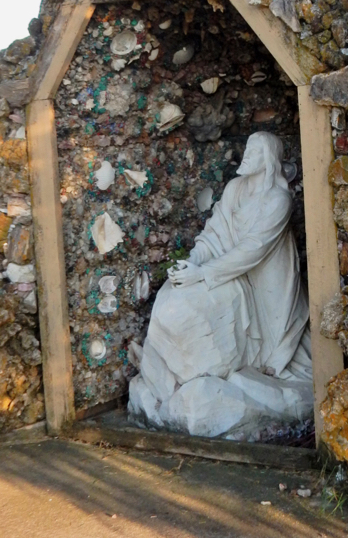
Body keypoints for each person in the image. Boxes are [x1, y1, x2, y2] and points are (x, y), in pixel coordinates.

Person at [128, 132, 313, 439]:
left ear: (268, 159)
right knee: (173, 296)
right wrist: (193, 262)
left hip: (267, 280)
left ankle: (258, 365)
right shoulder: (235, 189)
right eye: (247, 148)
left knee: (273, 343)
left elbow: (253, 249)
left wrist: (203, 274)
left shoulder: (278, 200)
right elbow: (214, 234)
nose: (247, 155)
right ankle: (163, 365)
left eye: (255, 151)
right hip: (223, 271)